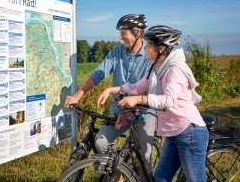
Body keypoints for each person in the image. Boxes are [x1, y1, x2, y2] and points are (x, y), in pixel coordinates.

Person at [97, 25, 209, 182]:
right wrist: (111, 89)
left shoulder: (174, 70)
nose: (146, 47)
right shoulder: (156, 69)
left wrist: (139, 99)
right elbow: (137, 87)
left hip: (189, 132)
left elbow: (168, 100)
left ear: (161, 48)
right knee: (161, 179)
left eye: (149, 44)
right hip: (173, 133)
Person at [65, 14, 155, 163]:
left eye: (124, 33)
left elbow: (149, 88)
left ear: (137, 33)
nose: (121, 37)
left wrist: (130, 114)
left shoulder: (149, 55)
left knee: (142, 161)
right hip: (118, 111)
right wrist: (77, 96)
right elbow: (98, 74)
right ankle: (118, 172)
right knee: (101, 143)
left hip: (143, 114)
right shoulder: (116, 52)